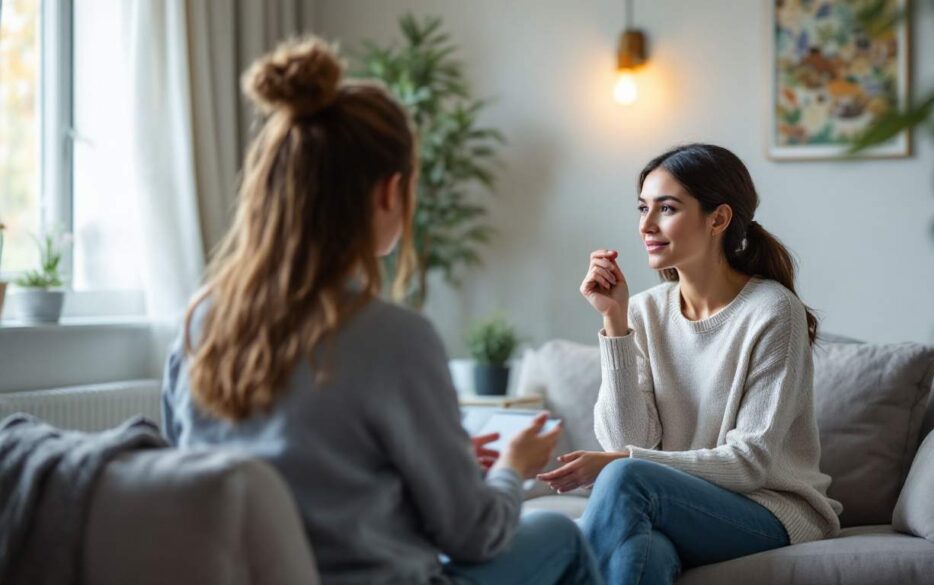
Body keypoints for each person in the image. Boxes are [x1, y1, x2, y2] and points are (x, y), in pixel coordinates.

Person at [161, 37, 601, 585]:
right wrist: (514, 466)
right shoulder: (394, 337)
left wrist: (428, 459)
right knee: (558, 535)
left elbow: (202, 483)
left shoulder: (201, 323)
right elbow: (474, 536)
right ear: (390, 192)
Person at [537, 144, 843, 584]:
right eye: (643, 207)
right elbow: (630, 438)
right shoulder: (641, 311)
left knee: (626, 480)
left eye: (667, 208)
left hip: (769, 510)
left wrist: (621, 461)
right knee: (643, 552)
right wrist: (614, 321)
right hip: (676, 507)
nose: (646, 225)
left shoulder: (773, 311)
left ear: (718, 218)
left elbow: (748, 463)